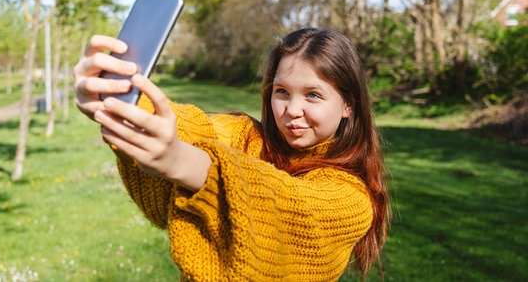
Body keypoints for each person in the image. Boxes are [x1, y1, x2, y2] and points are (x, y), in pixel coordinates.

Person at [73, 28, 390, 281]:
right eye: (282, 91)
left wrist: (184, 163)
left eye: (313, 95)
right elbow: (195, 129)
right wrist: (117, 100)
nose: (293, 110)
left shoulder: (352, 199)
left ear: (348, 104)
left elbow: (290, 206)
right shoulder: (245, 136)